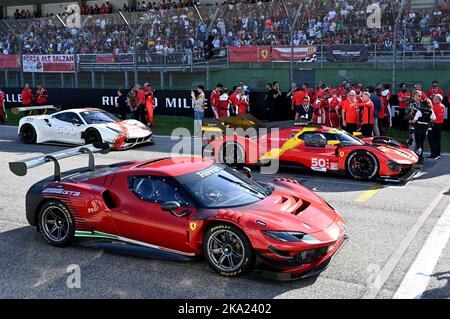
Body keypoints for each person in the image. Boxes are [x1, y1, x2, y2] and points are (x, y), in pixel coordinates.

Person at [427, 94, 445, 159]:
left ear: (438, 99)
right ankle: (438, 154)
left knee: (431, 139)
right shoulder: (443, 106)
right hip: (440, 125)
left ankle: (434, 154)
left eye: (434, 98)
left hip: (434, 125)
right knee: (437, 140)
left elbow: (430, 116)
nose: (433, 99)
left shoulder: (434, 107)